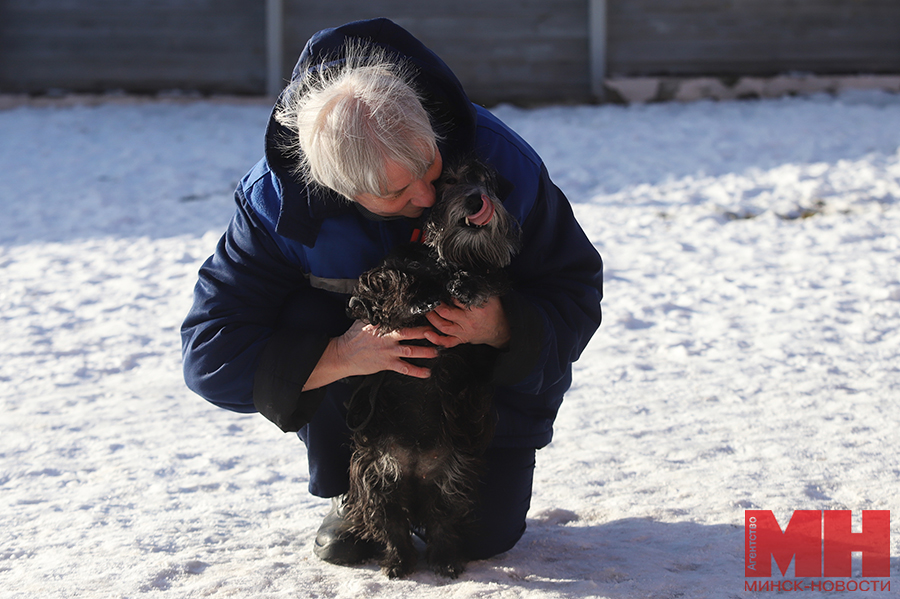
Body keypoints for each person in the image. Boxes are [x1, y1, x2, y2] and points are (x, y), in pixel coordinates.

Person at [181, 18, 603, 566]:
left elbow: (576, 287)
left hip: (481, 402)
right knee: (306, 309)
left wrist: (503, 324)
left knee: (483, 538)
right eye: (398, 190)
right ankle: (355, 491)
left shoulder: (504, 163)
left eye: (431, 167)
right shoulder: (274, 209)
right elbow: (209, 354)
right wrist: (338, 355)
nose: (427, 194)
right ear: (340, 189)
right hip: (367, 418)